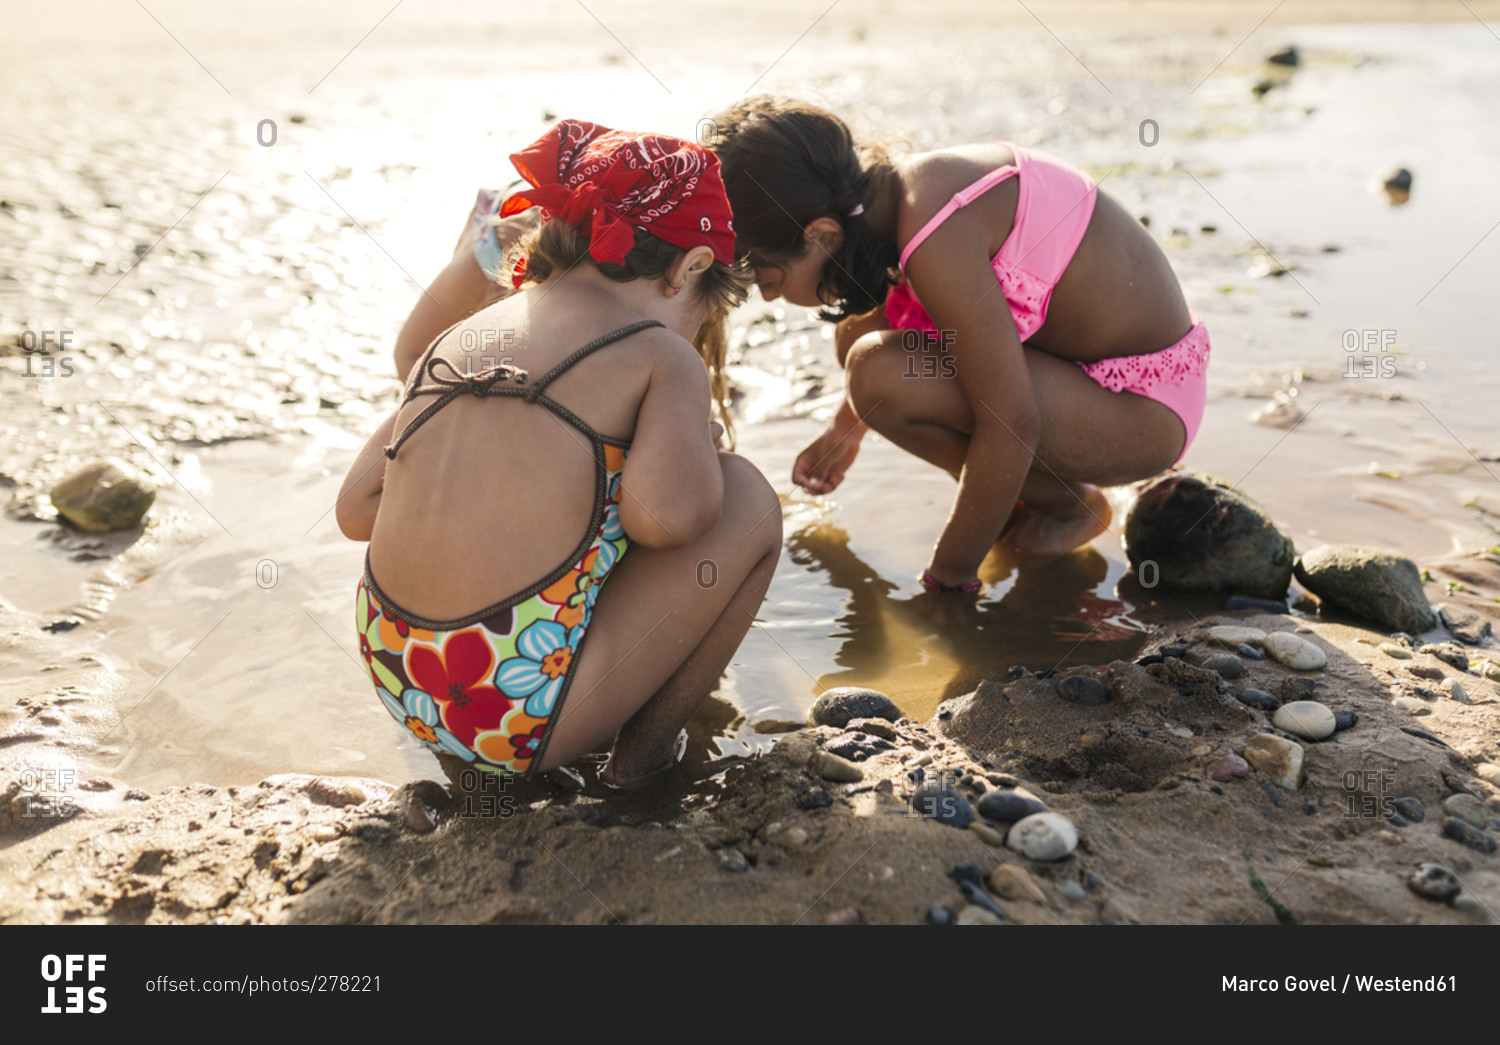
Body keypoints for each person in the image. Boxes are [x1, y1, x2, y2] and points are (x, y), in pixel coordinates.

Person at [338, 119, 782, 790]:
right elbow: (670, 521)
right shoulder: (661, 353)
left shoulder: (462, 335)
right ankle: (640, 766)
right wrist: (689, 447)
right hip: (512, 708)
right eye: (702, 311)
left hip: (399, 673)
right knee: (748, 500)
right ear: (689, 269)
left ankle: (473, 764)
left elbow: (355, 509)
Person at [708, 97, 1210, 591]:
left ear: (822, 236)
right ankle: (1012, 503)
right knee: (859, 335)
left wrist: (949, 578)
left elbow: (1012, 419)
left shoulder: (936, 233)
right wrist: (845, 432)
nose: (774, 299)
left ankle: (1065, 510)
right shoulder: (901, 195)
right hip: (1087, 382)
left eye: (769, 282)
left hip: (1143, 412)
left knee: (879, 374)